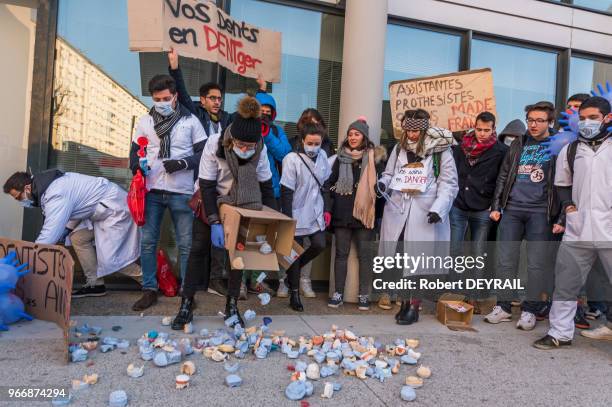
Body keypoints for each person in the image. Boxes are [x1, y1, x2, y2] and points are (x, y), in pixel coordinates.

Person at [534, 96, 612, 349]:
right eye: (583, 118)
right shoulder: (571, 150)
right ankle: (560, 333)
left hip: (609, 227)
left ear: (607, 118)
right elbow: (561, 184)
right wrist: (568, 206)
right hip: (578, 228)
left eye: (593, 117)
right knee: (566, 282)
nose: (587, 122)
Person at [191, 95, 276, 327]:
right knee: (198, 249)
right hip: (211, 198)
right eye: (241, 145)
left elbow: (267, 187)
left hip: (241, 203)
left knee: (237, 257)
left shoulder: (260, 149)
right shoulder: (215, 142)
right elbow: (207, 186)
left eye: (250, 146)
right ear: (231, 140)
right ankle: (186, 303)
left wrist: (272, 222)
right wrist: (215, 222)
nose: (246, 149)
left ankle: (231, 306)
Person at [130, 74, 207, 311]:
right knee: (148, 242)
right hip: (152, 189)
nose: (161, 102)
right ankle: (149, 289)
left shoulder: (191, 121)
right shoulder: (144, 121)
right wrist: (137, 166)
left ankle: (187, 292)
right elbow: (134, 152)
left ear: (175, 96)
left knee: (185, 244)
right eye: (157, 99)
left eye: (166, 98)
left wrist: (183, 164)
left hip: (181, 190)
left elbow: (204, 156)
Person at [485, 101, 563, 329]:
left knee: (536, 264)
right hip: (513, 210)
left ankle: (530, 310)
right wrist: (497, 205)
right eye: (530, 120)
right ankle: (504, 306)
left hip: (541, 212)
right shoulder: (519, 143)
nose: (534, 124)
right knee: (505, 261)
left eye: (540, 120)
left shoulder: (559, 145)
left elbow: (565, 181)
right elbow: (504, 175)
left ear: (550, 122)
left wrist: (561, 217)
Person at [377, 109, 458, 325]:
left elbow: (448, 183)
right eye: (408, 130)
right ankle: (404, 302)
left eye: (415, 130)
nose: (411, 134)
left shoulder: (441, 150)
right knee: (401, 257)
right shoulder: (399, 147)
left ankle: (414, 306)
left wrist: (438, 208)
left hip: (424, 211)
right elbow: (389, 173)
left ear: (423, 129)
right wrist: (383, 184)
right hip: (399, 210)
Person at [3, 170, 142, 296]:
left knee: (113, 260)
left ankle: (149, 280)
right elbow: (76, 207)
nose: (20, 201)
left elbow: (49, 234)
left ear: (27, 188)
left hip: (116, 211)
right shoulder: (51, 186)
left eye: (18, 197)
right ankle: (95, 284)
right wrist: (66, 230)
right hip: (102, 211)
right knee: (78, 238)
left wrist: (28, 257)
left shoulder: (55, 193)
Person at [168, 48, 230, 298]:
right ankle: (192, 285)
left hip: (223, 187)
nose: (217, 101)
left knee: (220, 238)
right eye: (212, 98)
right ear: (202, 100)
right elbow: (182, 95)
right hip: (200, 186)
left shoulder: (228, 120)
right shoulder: (196, 115)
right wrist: (174, 67)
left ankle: (216, 279)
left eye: (219, 98)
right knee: (198, 238)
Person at [324, 118, 382, 310]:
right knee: (341, 254)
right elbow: (329, 183)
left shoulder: (374, 157)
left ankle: (364, 295)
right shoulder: (340, 158)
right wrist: (333, 199)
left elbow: (381, 185)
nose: (353, 137)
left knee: (365, 256)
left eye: (357, 134)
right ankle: (338, 293)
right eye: (350, 134)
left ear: (364, 136)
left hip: (364, 213)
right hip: (342, 213)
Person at [280, 123, 332, 312]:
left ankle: (290, 275)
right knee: (295, 252)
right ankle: (294, 292)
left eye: (317, 143)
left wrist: (327, 209)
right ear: (302, 141)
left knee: (319, 244)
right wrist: (288, 219)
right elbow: (286, 191)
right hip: (295, 211)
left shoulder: (323, 157)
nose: (313, 146)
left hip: (315, 210)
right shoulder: (291, 160)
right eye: (309, 143)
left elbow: (325, 185)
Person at [450, 112, 507, 261]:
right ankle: (454, 285)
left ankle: (475, 284)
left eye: (486, 130)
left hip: (484, 206)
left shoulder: (502, 151)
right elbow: (452, 175)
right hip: (459, 204)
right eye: (479, 129)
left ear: (494, 129)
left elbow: (502, 180)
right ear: (474, 127)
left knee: (478, 253)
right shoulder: (460, 147)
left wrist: (495, 205)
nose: (482, 133)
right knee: (454, 250)